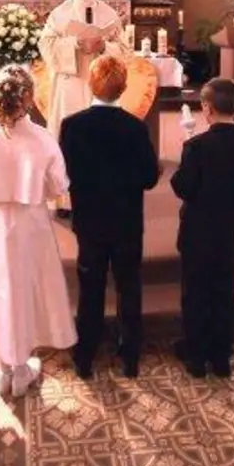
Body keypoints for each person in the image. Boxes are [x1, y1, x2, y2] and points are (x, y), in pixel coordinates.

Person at [0, 65, 76, 398]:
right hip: (31, 223)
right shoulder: (42, 138)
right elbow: (59, 185)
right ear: (28, 97)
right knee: (27, 288)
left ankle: (9, 368)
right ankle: (20, 366)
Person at [58, 55, 160, 378]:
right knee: (129, 285)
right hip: (127, 220)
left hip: (90, 220)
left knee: (91, 286)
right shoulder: (135, 127)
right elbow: (147, 177)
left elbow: (66, 174)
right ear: (124, 87)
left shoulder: (72, 126)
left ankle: (85, 355)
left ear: (90, 84)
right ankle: (130, 355)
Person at [171, 78, 234, 378]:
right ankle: (221, 355)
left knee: (195, 292)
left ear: (206, 108)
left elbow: (183, 187)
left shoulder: (196, 146)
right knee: (224, 290)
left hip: (197, 231)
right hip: (229, 229)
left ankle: (196, 355)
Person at [37, 0, 128, 216]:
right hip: (70, 85)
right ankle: (65, 201)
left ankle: (100, 194)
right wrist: (75, 44)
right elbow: (46, 46)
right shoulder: (60, 14)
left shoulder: (110, 14)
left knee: (101, 142)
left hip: (102, 89)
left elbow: (123, 50)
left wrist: (103, 46)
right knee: (69, 140)